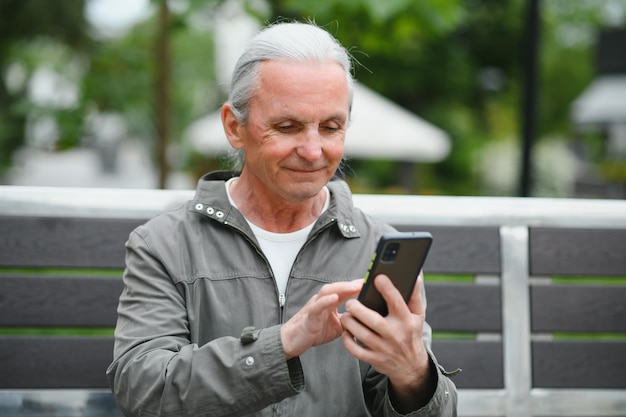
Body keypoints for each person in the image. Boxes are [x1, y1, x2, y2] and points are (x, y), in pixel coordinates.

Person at [107, 21, 458, 417]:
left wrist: (413, 375)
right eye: (287, 127)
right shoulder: (164, 245)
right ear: (233, 127)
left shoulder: (379, 247)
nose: (312, 151)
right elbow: (144, 391)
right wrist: (284, 343)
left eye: (330, 127)